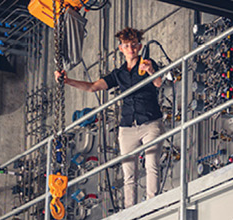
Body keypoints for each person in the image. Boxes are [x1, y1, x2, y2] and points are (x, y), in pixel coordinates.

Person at [56, 26, 164, 208]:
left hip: (150, 122)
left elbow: (159, 82)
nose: (130, 49)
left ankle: (152, 206)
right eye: (126, 45)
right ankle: (130, 212)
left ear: (139, 46)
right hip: (127, 126)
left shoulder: (148, 63)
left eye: (134, 45)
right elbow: (93, 87)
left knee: (151, 165)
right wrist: (67, 81)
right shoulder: (119, 74)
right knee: (129, 173)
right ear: (121, 48)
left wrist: (151, 70)